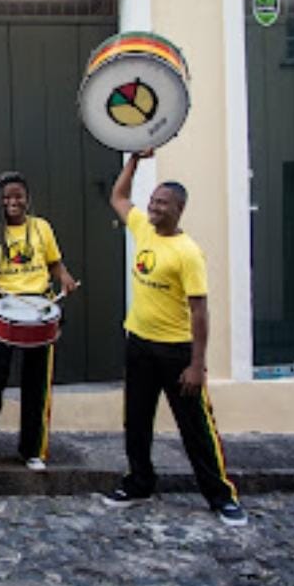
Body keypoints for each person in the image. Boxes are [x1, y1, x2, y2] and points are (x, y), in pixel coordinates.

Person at [103, 149, 248, 527]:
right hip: (138, 343)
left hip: (176, 353)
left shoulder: (188, 253)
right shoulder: (142, 228)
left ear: (178, 209)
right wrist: (133, 161)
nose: (153, 208)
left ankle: (221, 496)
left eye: (162, 203)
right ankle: (139, 482)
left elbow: (200, 311)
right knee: (136, 421)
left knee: (196, 429)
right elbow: (118, 197)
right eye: (152, 201)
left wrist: (197, 364)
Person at [0, 172, 79, 474]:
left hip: (40, 309)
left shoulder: (41, 228)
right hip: (3, 311)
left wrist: (64, 278)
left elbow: (54, 263)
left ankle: (32, 451)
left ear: (27, 198)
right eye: (7, 197)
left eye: (18, 196)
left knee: (36, 384)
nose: (13, 202)